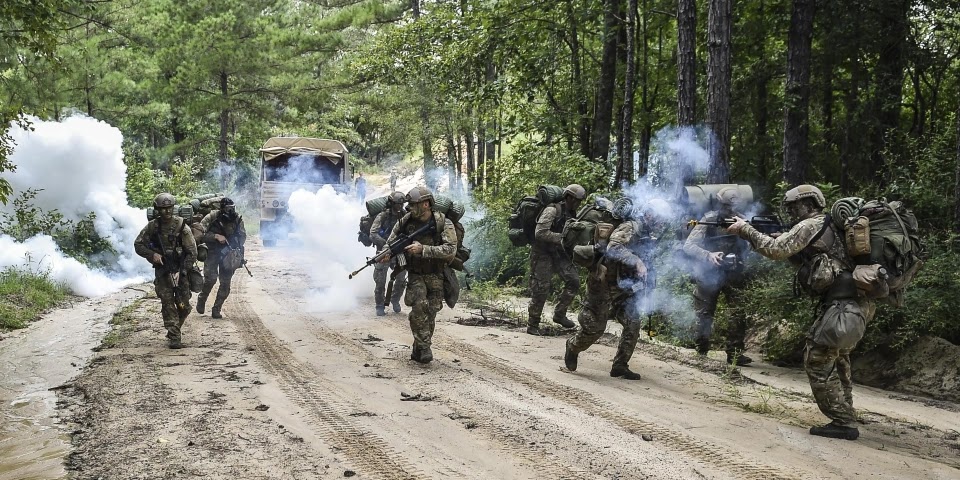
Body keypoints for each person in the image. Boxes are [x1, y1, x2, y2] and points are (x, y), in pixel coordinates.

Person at [727, 184, 874, 441]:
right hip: (854, 304)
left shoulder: (811, 225)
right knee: (837, 357)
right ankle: (845, 411)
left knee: (817, 357)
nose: (793, 212)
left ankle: (843, 421)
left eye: (795, 207)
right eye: (791, 208)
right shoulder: (827, 226)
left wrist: (745, 230)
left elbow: (775, 250)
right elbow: (795, 255)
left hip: (844, 305)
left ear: (810, 204)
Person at [564, 198, 670, 380]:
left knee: (633, 324)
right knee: (596, 327)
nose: (661, 222)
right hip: (604, 282)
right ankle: (573, 346)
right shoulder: (631, 227)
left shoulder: (647, 233)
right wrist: (636, 261)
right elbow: (614, 247)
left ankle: (620, 365)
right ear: (650, 214)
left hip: (624, 286)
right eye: (659, 217)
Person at [379, 186, 457, 364]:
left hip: (437, 274)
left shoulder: (442, 223)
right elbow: (391, 241)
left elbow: (451, 250)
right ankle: (424, 349)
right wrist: (386, 254)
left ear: (426, 204)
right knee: (419, 307)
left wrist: (423, 250)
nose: (409, 208)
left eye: (414, 204)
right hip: (415, 274)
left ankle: (419, 345)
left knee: (431, 312)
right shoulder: (406, 221)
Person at [683, 186, 754, 365]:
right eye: (725, 206)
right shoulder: (709, 219)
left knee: (737, 313)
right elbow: (689, 246)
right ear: (719, 203)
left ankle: (735, 354)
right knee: (704, 314)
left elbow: (753, 245)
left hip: (733, 272)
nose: (729, 210)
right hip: (708, 274)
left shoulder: (742, 221)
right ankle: (701, 352)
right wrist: (709, 255)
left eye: (732, 206)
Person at [134, 193, 198, 349]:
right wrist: (152, 255)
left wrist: (182, 271)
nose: (166, 212)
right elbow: (138, 244)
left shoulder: (182, 226)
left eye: (169, 208)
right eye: (163, 209)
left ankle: (173, 329)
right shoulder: (152, 227)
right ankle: (175, 337)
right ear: (157, 210)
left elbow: (192, 252)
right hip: (163, 271)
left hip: (181, 270)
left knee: (184, 306)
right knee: (168, 303)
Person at [526, 184, 586, 335]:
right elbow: (540, 233)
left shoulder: (572, 213)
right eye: (576, 200)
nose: (578, 203)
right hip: (542, 253)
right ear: (568, 197)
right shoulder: (553, 210)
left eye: (579, 201)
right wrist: (561, 238)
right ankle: (532, 325)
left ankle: (559, 314)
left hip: (559, 253)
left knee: (573, 281)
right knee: (541, 289)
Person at [197, 197, 247, 319]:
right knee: (210, 279)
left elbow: (243, 236)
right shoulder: (212, 217)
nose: (231, 211)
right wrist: (215, 236)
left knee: (225, 283)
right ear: (222, 208)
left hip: (228, 254)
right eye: (228, 208)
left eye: (233, 208)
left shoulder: (237, 220)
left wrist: (236, 249)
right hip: (213, 252)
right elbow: (198, 233)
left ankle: (216, 309)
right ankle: (202, 299)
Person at [370, 191, 408, 316]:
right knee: (380, 279)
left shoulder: (405, 216)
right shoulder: (383, 216)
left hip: (399, 252)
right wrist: (387, 244)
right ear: (391, 203)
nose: (400, 206)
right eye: (397, 204)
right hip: (384, 252)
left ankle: (395, 300)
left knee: (401, 278)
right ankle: (379, 305)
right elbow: (373, 233)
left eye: (402, 204)